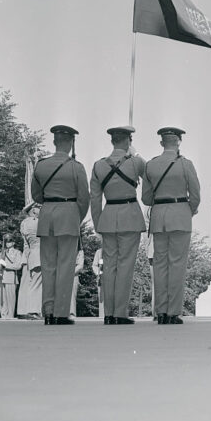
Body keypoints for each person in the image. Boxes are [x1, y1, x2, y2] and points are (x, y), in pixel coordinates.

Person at [31, 125, 90, 325]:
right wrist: (76, 217)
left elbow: (36, 196)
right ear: (71, 142)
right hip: (69, 215)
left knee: (48, 266)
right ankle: (61, 312)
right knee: (66, 266)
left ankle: (48, 311)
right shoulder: (76, 167)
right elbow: (84, 199)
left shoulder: (41, 165)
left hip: (47, 215)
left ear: (55, 141)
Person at [142, 127, 201, 325]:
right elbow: (195, 194)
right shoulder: (186, 164)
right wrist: (188, 211)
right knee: (177, 265)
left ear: (161, 143)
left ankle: (160, 311)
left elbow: (146, 198)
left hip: (159, 218)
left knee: (159, 265)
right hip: (180, 216)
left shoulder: (150, 165)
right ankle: (173, 312)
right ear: (178, 142)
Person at [89, 126, 146, 325]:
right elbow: (149, 175)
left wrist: (98, 224)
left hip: (108, 217)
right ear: (128, 140)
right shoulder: (136, 162)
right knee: (125, 266)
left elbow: (95, 200)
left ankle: (108, 313)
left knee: (109, 266)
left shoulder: (99, 165)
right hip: (129, 215)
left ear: (112, 141)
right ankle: (120, 312)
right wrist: (135, 153)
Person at [17, 203, 43, 320]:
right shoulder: (35, 222)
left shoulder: (24, 223)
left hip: (32, 255)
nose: (41, 210)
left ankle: (31, 309)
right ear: (33, 210)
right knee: (37, 284)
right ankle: (34, 310)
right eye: (39, 208)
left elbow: (26, 246)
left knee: (33, 283)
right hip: (40, 254)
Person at [0, 233, 23, 319]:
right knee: (2, 299)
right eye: (6, 242)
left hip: (11, 278)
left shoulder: (18, 253)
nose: (7, 243)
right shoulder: (1, 253)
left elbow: (18, 265)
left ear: (13, 242)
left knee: (10, 299)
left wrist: (6, 265)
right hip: (1, 278)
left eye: (10, 241)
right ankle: (3, 315)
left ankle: (10, 316)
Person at [69, 241, 84, 318]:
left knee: (71, 295)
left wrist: (69, 273)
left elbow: (80, 265)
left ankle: (71, 313)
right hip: (61, 274)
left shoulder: (80, 251)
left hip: (73, 275)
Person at [92, 247, 104, 318]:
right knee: (102, 296)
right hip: (102, 276)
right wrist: (99, 273)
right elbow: (94, 265)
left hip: (113, 276)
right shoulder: (99, 252)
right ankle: (102, 316)